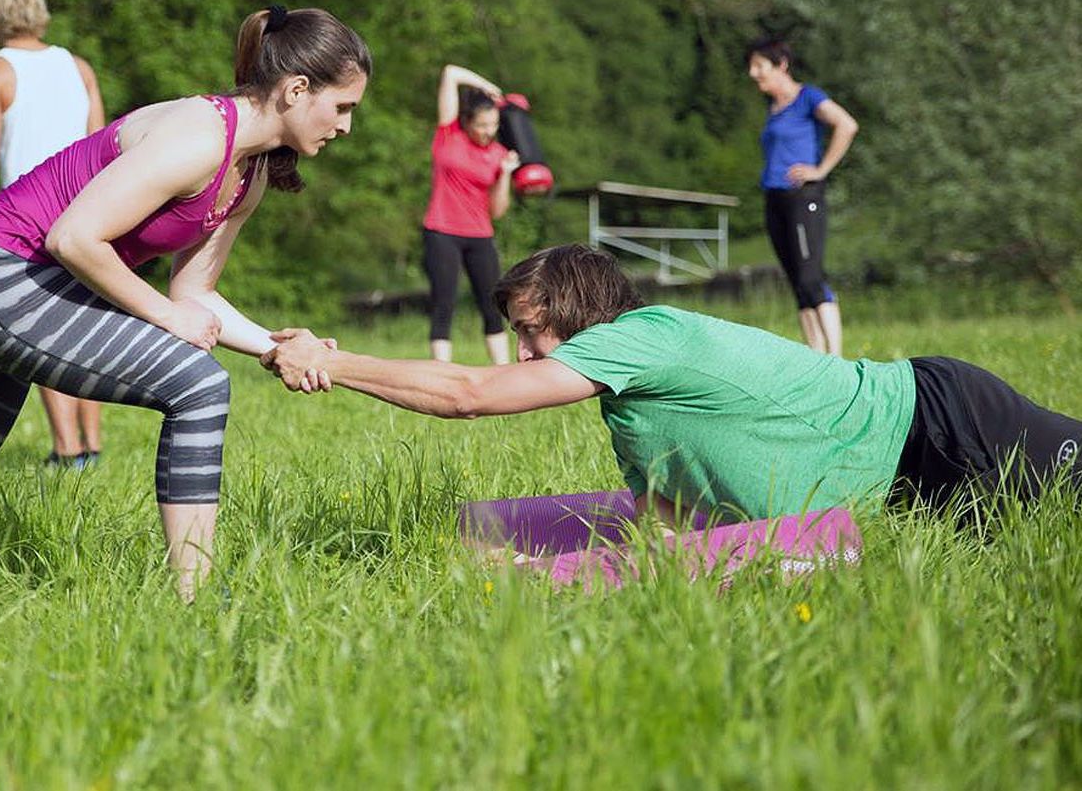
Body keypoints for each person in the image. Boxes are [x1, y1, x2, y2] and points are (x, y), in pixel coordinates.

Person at [0, 6, 369, 603]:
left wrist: (282, 349)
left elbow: (195, 295)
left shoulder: (249, 173)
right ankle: (196, 597)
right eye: (342, 107)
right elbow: (74, 239)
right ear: (295, 89)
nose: (345, 126)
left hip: (10, 282)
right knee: (200, 386)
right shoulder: (201, 135)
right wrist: (165, 317)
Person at [265, 244, 1082, 525]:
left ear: (578, 311)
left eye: (532, 328)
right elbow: (669, 516)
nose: (523, 351)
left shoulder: (643, 337)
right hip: (906, 487)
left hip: (943, 418)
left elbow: (469, 393)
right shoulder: (632, 408)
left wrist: (334, 361)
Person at [0, 0, 108, 469]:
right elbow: (100, 146)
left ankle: (66, 449)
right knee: (84, 325)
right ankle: (93, 444)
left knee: (44, 330)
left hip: (27, 216)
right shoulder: (79, 67)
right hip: (86, 209)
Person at [746, 38, 859, 356]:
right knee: (797, 282)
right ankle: (815, 357)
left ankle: (835, 359)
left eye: (759, 66)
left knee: (811, 278)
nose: (753, 73)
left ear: (781, 65)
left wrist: (821, 169)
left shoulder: (808, 97)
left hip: (802, 196)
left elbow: (847, 125)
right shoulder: (773, 109)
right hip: (775, 199)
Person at [422, 64, 520, 365]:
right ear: (466, 121)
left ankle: (503, 373)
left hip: (480, 235)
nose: (489, 131)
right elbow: (451, 73)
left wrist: (505, 174)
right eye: (482, 125)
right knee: (443, 305)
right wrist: (488, 86)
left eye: (494, 124)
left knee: (492, 307)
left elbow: (498, 211)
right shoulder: (448, 134)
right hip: (441, 232)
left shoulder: (499, 154)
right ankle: (441, 376)